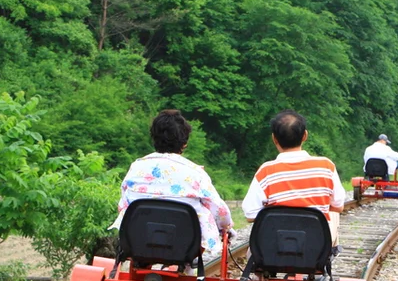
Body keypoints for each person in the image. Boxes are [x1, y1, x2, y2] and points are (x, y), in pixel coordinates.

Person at [111, 110, 233, 260]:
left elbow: (123, 204)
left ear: (153, 137)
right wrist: (226, 226)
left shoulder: (136, 168)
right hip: (185, 247)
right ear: (185, 143)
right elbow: (220, 211)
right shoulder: (195, 173)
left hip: (138, 241)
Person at [242, 110, 345, 247]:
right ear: (305, 136)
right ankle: (330, 254)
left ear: (274, 139)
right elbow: (338, 206)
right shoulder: (326, 166)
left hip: (275, 247)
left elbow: (250, 214)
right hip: (315, 247)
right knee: (333, 217)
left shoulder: (265, 171)